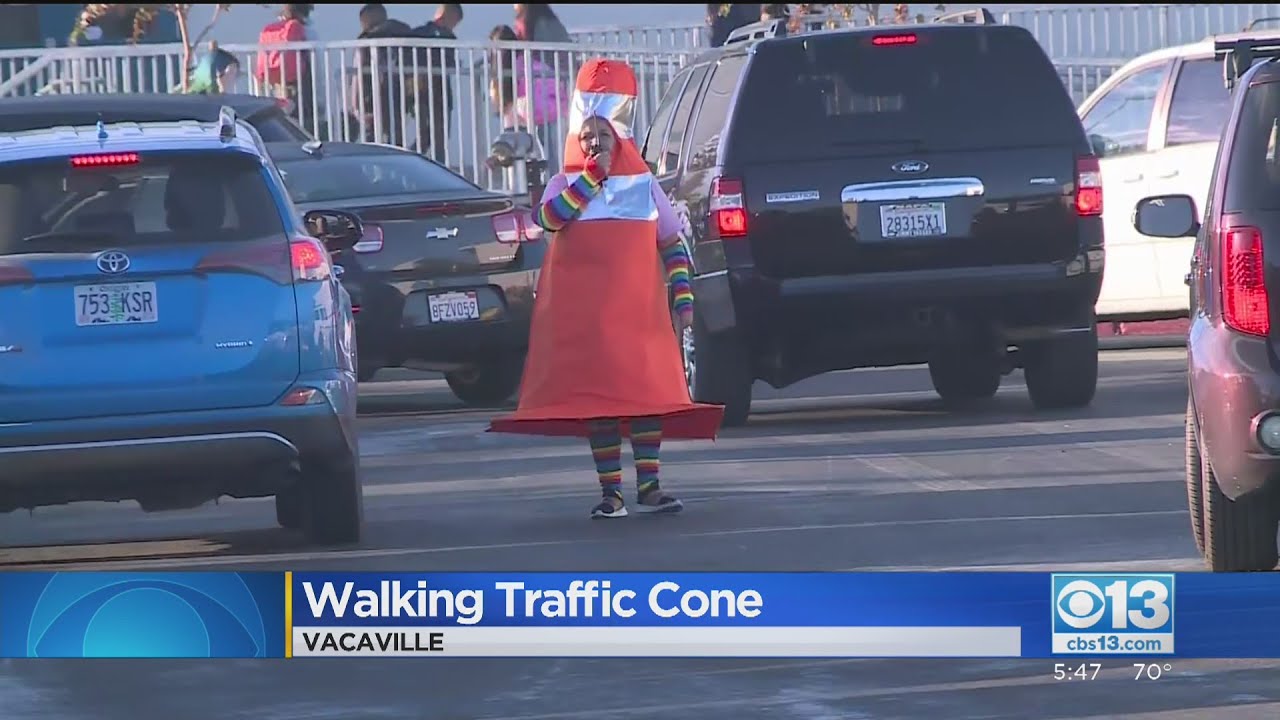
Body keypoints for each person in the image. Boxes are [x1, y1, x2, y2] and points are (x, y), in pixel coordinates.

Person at [489, 59, 725, 519]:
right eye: (587, 136)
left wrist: (683, 301)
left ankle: (651, 487)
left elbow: (672, 246)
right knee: (599, 404)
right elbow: (547, 220)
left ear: (620, 138)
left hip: (640, 320)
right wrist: (591, 179)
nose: (596, 143)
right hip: (590, 326)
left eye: (604, 135)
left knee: (646, 399)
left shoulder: (644, 188)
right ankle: (611, 492)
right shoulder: (565, 184)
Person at [351, 3, 415, 144]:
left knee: (372, 141)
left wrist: (356, 106)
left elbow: (357, 74)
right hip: (398, 98)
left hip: (372, 99)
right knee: (396, 138)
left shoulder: (367, 39)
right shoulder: (403, 34)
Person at [410, 4, 463, 164]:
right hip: (437, 93)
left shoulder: (417, 33)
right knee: (438, 138)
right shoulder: (446, 37)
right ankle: (438, 170)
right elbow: (449, 64)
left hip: (421, 92)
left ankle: (411, 163)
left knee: (426, 136)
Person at [256, 4, 314, 121]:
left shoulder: (272, 30)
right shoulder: (306, 32)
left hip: (274, 80)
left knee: (281, 116)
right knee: (301, 117)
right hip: (295, 81)